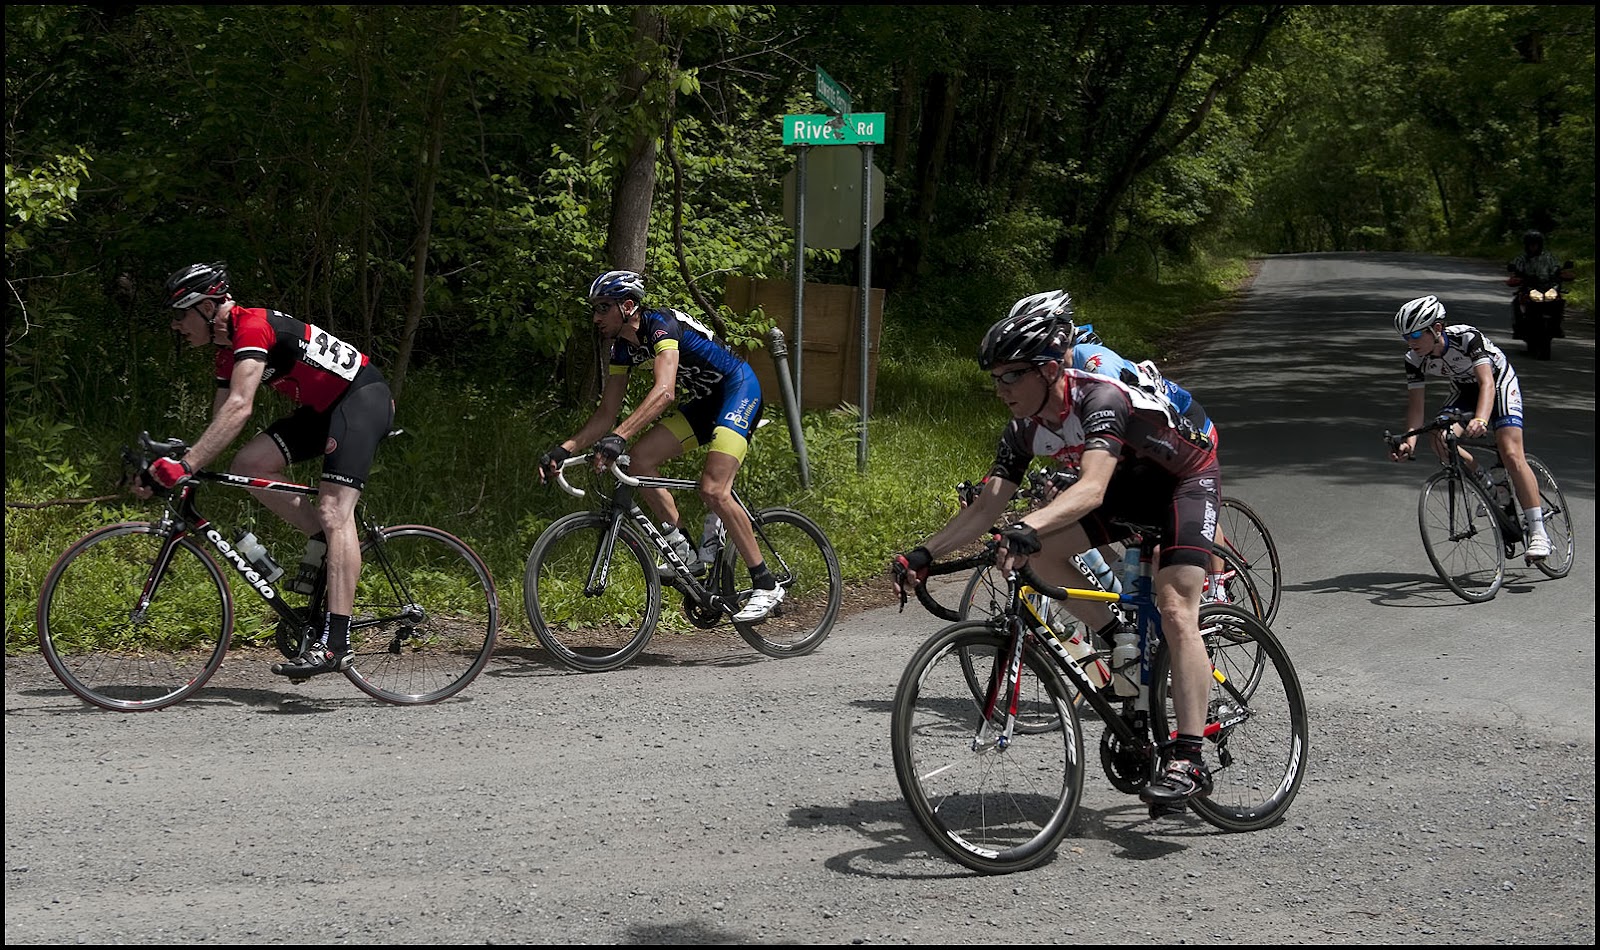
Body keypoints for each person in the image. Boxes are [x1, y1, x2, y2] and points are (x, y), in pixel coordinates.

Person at [889, 291, 1223, 807]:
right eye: (994, 378)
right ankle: (1116, 640)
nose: (999, 389)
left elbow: (1089, 489)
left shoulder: (1098, 397)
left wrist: (1025, 523)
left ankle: (1190, 757)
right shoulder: (1023, 427)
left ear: (1047, 370)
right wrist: (923, 553)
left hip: (1181, 477)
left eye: (1010, 376)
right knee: (1039, 553)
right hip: (1123, 486)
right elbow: (984, 507)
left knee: (1176, 608)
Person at [133, 262, 396, 677]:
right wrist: (177, 458)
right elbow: (222, 423)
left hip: (362, 400)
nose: (176, 325)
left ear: (206, 307)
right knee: (250, 464)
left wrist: (184, 466)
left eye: (181, 314)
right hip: (323, 410)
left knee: (334, 511)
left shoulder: (252, 326)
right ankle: (328, 544)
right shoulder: (227, 348)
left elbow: (241, 407)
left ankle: (338, 644)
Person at [536, 269, 780, 622]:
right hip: (705, 404)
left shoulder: (660, 325)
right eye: (594, 309)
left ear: (628, 305)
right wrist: (564, 449)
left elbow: (665, 391)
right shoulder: (621, 349)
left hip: (738, 390)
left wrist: (618, 437)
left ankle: (766, 583)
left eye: (603, 307)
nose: (596, 317)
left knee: (714, 489)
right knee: (639, 461)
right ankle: (683, 547)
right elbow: (607, 413)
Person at [1388, 294, 1551, 561]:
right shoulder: (1414, 359)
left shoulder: (1466, 338)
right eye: (1405, 335)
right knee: (1440, 438)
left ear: (1436, 328)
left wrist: (1481, 419)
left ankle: (1538, 532)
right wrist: (1409, 442)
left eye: (1416, 333)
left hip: (1498, 384)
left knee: (1510, 452)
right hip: (1464, 391)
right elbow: (1416, 407)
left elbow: (1487, 383)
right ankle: (1490, 486)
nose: (1411, 341)